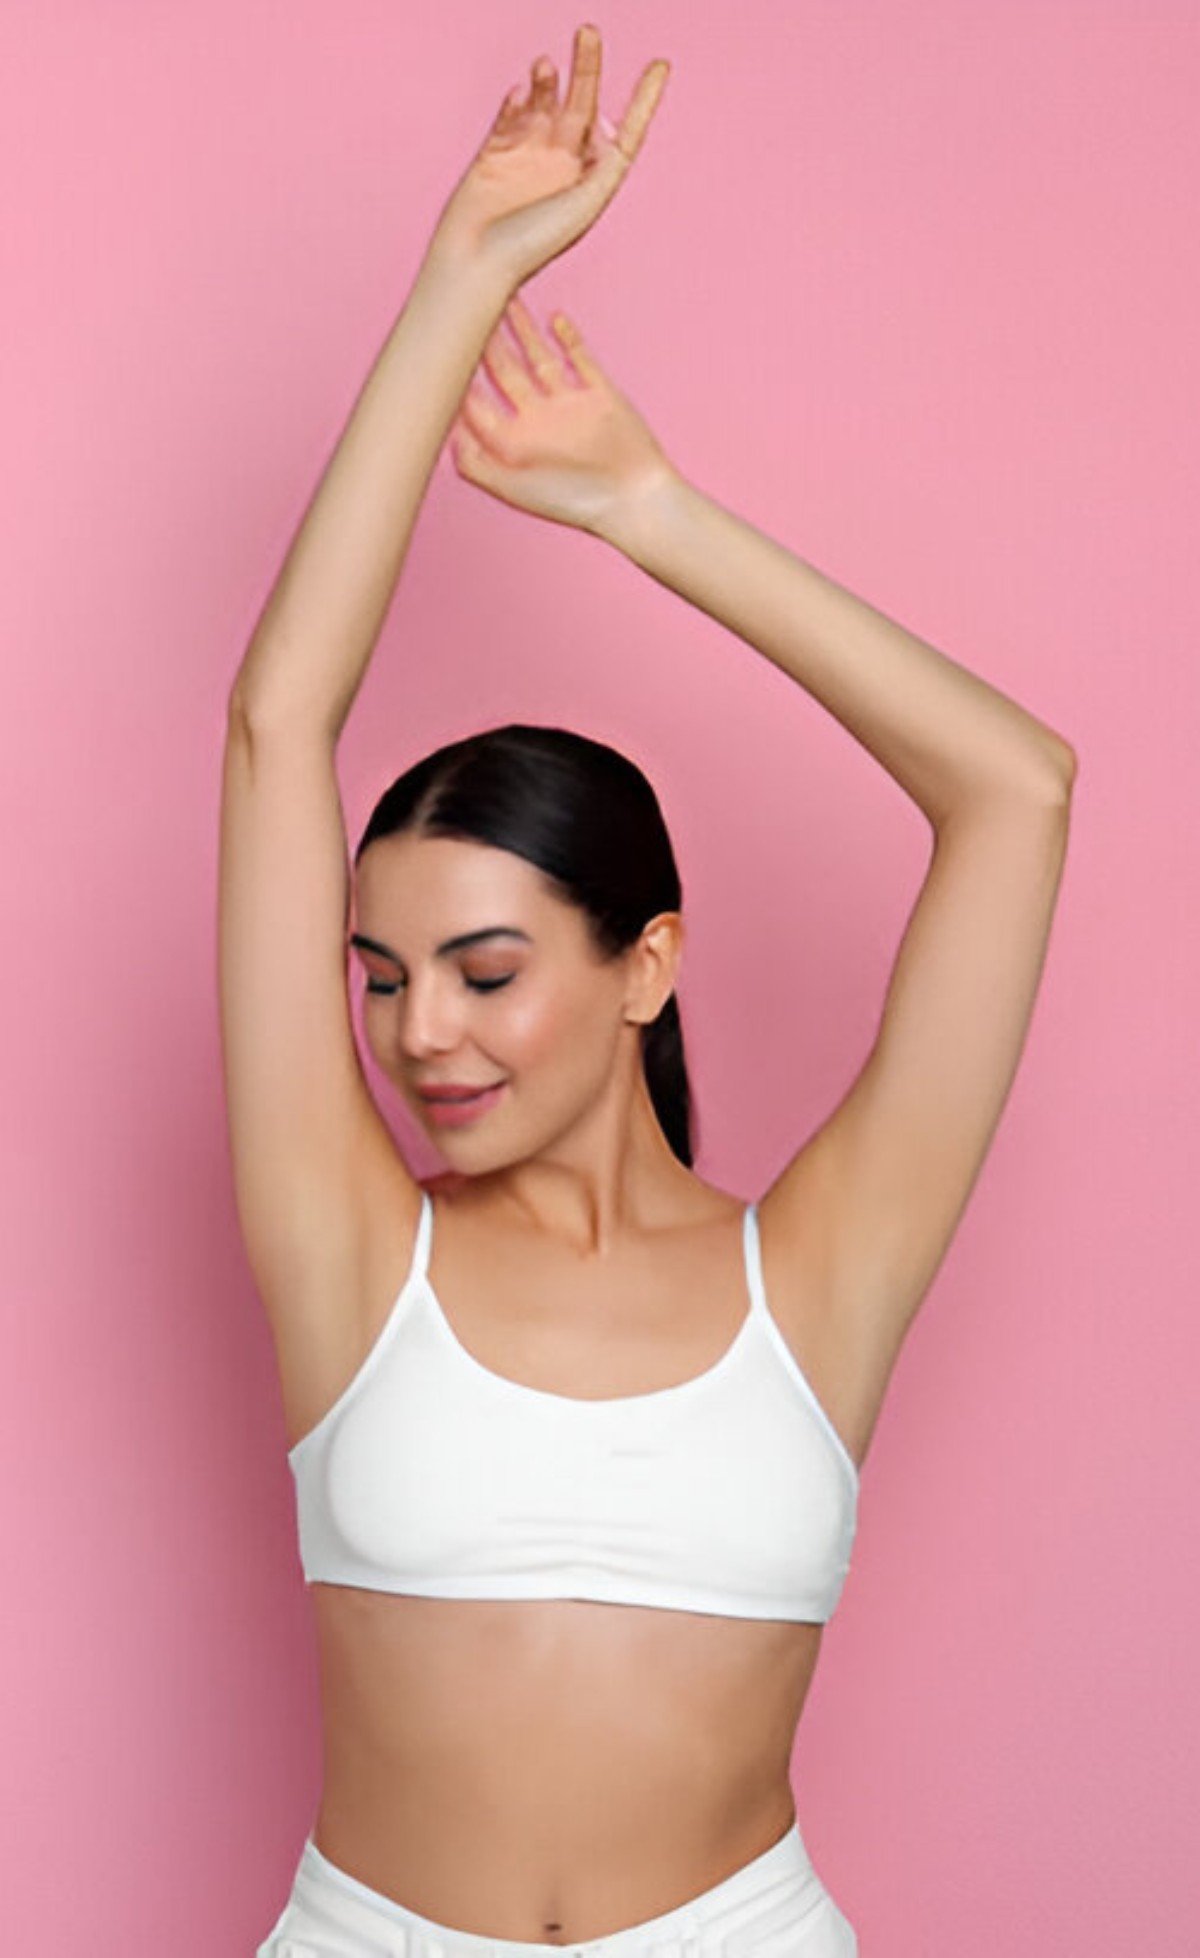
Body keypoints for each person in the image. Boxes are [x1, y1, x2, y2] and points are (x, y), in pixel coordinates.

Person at [219, 24, 1077, 1956]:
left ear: (647, 966)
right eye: (380, 978)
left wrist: (648, 511)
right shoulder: (353, 1250)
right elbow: (282, 721)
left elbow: (1017, 794)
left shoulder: (820, 1270)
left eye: (488, 969)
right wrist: (464, 279)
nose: (417, 1031)